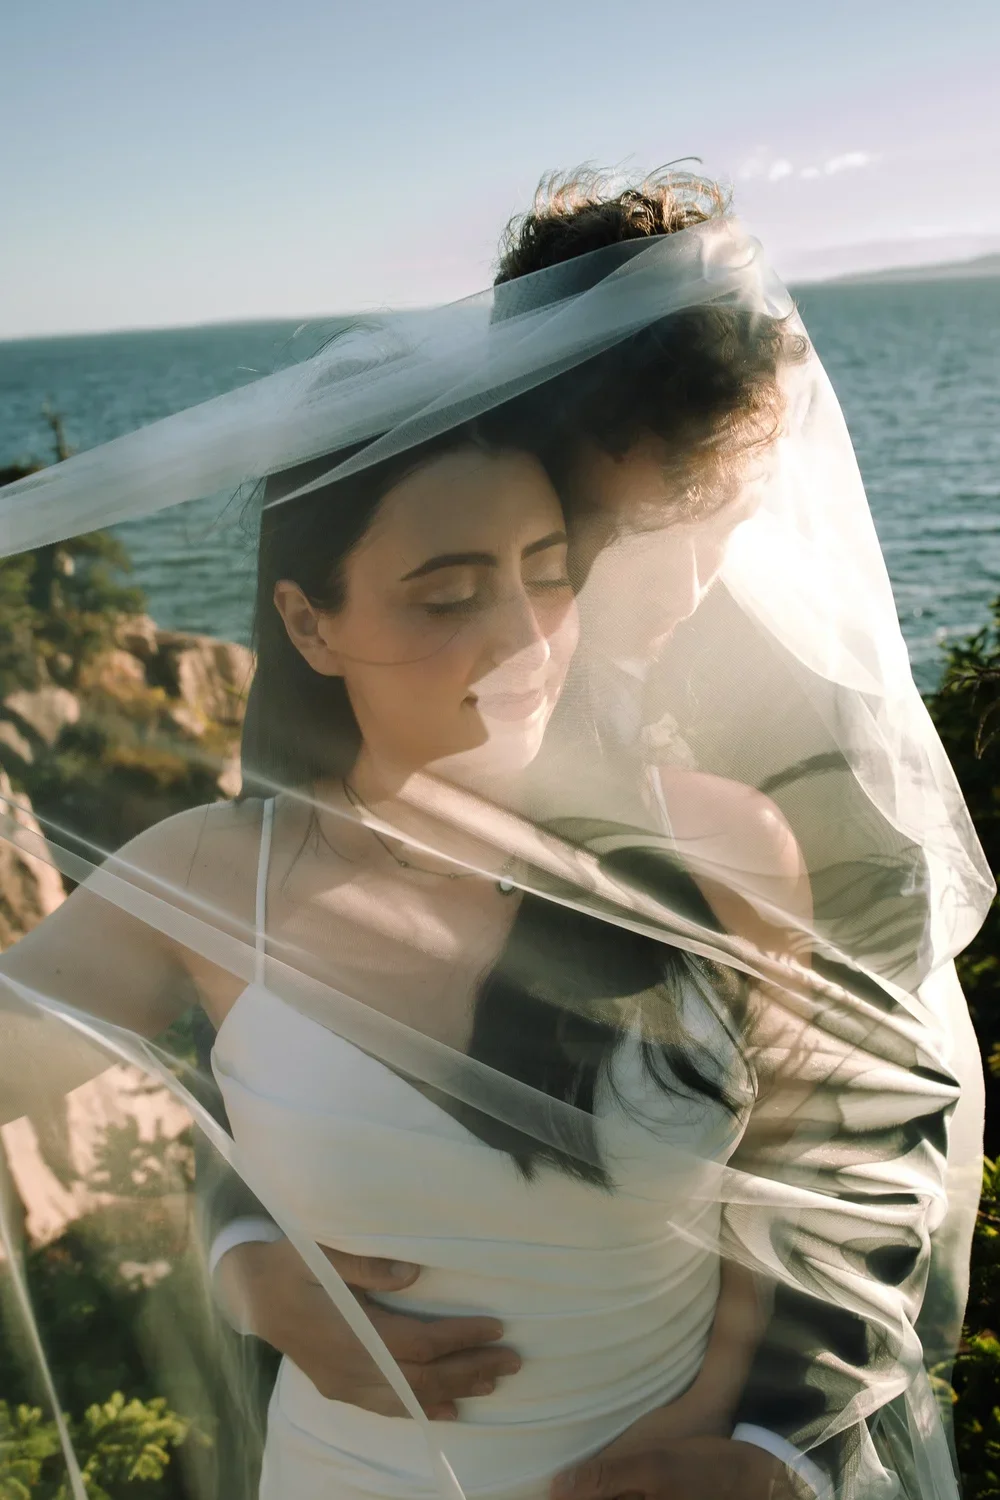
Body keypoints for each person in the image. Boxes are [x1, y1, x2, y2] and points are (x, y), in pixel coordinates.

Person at [0, 182, 985, 1500]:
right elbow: (289, 1071)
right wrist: (249, 1255)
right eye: (633, 529)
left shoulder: (792, 787)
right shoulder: (348, 758)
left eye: (722, 515)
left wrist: (750, 1449)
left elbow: (868, 1154)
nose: (684, 581)